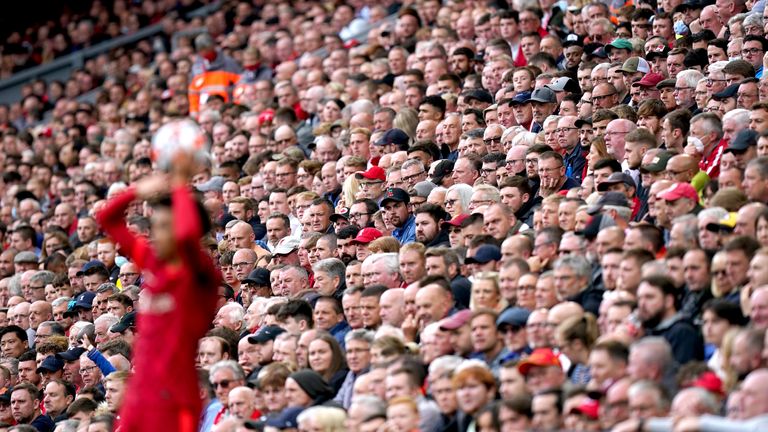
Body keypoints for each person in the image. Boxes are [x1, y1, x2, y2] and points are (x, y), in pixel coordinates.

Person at [96, 154, 221, 430]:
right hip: (140, 392)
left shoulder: (199, 275)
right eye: (156, 226)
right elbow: (108, 218)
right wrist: (137, 190)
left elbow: (188, 234)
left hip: (174, 397)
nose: (158, 234)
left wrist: (178, 182)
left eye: (167, 227)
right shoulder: (153, 263)